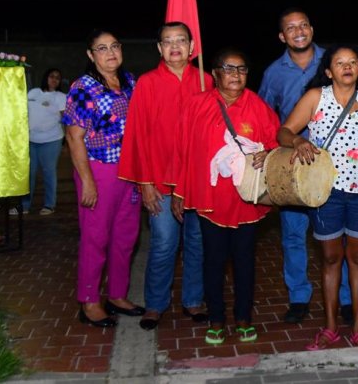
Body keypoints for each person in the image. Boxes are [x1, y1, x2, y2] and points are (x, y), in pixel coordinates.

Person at [169, 48, 280, 345]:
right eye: (228, 68)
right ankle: (216, 318)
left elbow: (275, 144)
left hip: (246, 199)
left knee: (245, 261)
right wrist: (179, 192)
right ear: (215, 73)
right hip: (209, 198)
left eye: (241, 69)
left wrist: (266, 155)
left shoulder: (257, 105)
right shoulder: (196, 105)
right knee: (213, 261)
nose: (235, 74)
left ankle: (244, 317)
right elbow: (182, 152)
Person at [277, 45, 358, 354]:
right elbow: (283, 131)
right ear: (328, 70)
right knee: (331, 259)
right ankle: (331, 328)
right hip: (325, 193)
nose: (347, 67)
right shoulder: (315, 98)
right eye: (340, 62)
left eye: (353, 62)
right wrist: (298, 140)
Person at [259, 8, 352, 324]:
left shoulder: (334, 61)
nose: (298, 31)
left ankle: (345, 298)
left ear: (312, 29)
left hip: (336, 165)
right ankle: (299, 297)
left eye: (303, 25)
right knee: (293, 236)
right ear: (282, 36)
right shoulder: (274, 73)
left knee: (336, 237)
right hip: (294, 167)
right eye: (290, 28)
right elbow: (265, 116)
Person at [118, 22, 213, 331]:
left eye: (181, 40)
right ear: (159, 48)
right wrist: (144, 184)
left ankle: (193, 299)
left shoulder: (206, 81)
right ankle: (156, 304)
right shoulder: (147, 83)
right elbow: (137, 136)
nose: (175, 46)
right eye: (168, 41)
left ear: (191, 46)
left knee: (197, 242)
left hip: (197, 183)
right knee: (163, 243)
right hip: (160, 182)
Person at [62, 29, 145, 327]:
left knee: (126, 236)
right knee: (96, 237)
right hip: (99, 170)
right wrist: (87, 180)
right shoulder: (83, 88)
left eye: (114, 46)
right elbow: (74, 138)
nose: (110, 53)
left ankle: (117, 294)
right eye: (101, 48)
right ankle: (89, 300)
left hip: (129, 172)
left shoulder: (130, 83)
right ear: (90, 54)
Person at [18, 68, 67, 215]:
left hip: (51, 140)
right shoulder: (33, 93)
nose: (54, 79)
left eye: (57, 78)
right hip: (31, 139)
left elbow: (65, 119)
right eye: (51, 76)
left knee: (48, 172)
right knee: (29, 174)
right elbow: (23, 113)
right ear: (45, 77)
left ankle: (49, 205)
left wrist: (67, 141)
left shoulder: (61, 97)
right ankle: (24, 205)